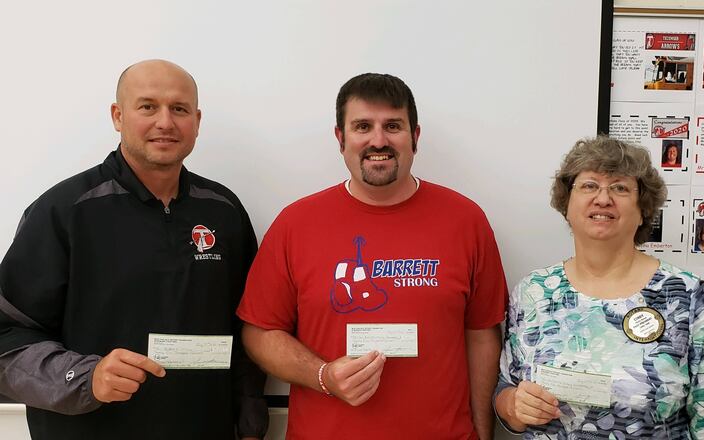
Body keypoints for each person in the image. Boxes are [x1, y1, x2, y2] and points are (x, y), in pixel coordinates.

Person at [0, 60, 268, 439]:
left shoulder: (223, 210)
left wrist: (252, 419)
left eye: (179, 109)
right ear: (118, 116)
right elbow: (7, 338)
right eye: (148, 106)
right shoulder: (64, 211)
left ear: (197, 120)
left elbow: (249, 328)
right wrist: (85, 377)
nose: (165, 122)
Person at [237, 73, 507, 439]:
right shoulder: (295, 223)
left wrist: (483, 433)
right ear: (341, 138)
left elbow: (481, 335)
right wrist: (323, 375)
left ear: (415, 137)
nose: (378, 140)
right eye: (363, 126)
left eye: (393, 126)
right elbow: (260, 332)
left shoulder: (466, 220)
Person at [495, 136, 704, 439]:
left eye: (620, 188)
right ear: (566, 205)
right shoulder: (533, 293)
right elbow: (506, 390)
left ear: (642, 210)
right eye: (589, 186)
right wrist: (514, 406)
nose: (602, 199)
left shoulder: (687, 297)